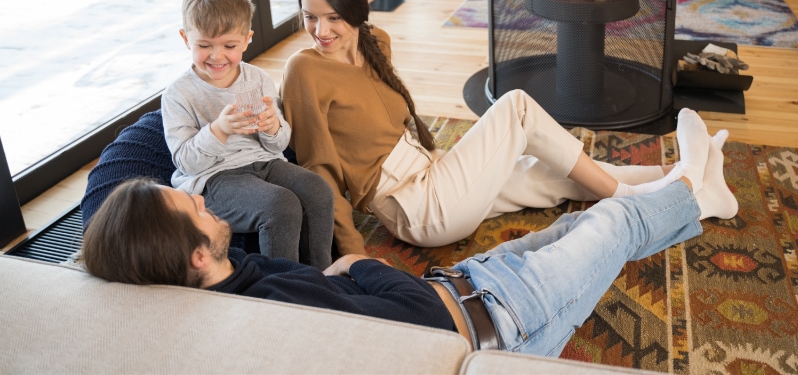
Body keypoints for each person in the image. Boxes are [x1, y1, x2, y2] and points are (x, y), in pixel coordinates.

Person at [81, 144, 738, 357]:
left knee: (584, 223)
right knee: (616, 222)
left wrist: (348, 270)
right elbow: (421, 321)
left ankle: (702, 196)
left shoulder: (231, 280)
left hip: (473, 283)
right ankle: (695, 183)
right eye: (192, 207)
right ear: (198, 256)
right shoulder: (278, 310)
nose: (202, 200)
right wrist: (363, 263)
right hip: (506, 319)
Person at [279, 0, 728, 256]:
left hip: (436, 171)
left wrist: (441, 162)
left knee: (555, 174)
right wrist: (354, 256)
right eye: (310, 17)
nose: (321, 30)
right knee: (514, 108)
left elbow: (392, 122)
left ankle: (692, 183)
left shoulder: (377, 44)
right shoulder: (305, 71)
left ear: (356, 11)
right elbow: (319, 170)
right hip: (416, 208)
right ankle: (645, 190)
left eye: (333, 17)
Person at [161, 0, 334, 269]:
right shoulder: (178, 95)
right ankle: (283, 288)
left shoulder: (257, 79)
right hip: (214, 179)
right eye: (204, 45)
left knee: (318, 190)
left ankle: (322, 275)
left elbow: (280, 145)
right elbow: (186, 161)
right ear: (185, 39)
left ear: (247, 39)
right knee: (280, 206)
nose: (217, 56)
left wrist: (272, 128)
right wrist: (219, 131)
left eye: (229, 46)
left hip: (265, 163)